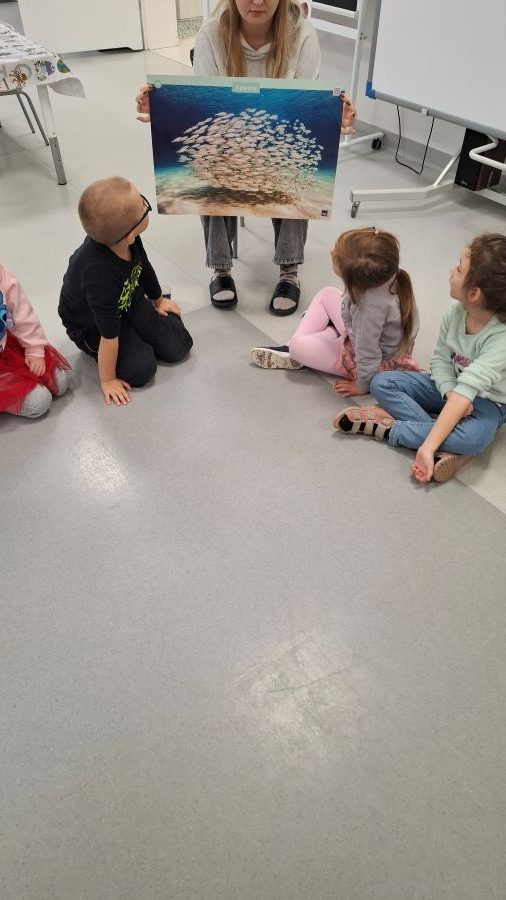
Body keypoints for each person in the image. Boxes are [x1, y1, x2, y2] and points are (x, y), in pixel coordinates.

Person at [135, 0, 356, 315]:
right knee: (209, 166)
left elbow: (307, 108)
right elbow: (203, 110)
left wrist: (336, 118)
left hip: (279, 140)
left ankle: (289, 271)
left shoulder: (303, 35)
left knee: (300, 171)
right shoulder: (211, 34)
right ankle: (220, 269)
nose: (257, 1)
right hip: (228, 141)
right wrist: (159, 107)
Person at [334, 233, 506, 484]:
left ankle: (392, 427)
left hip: (489, 403)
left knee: (474, 439)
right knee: (380, 382)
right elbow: (441, 360)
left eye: (459, 269)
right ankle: (444, 441)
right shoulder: (455, 311)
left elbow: (468, 390)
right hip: (448, 388)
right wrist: (448, 391)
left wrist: (426, 449)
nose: (451, 270)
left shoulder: (501, 339)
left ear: (474, 293)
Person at [58, 177, 193, 407]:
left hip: (128, 299)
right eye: (143, 206)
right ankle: (118, 348)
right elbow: (109, 336)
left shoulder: (127, 239)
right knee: (142, 370)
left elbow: (143, 268)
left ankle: (142, 332)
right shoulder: (97, 273)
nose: (145, 205)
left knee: (179, 346)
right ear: (128, 234)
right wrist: (108, 379)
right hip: (92, 325)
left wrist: (158, 300)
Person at [251, 226, 420, 397]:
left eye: (336, 256)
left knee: (298, 347)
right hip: (362, 334)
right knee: (327, 293)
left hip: (371, 363)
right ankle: (321, 334)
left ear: (352, 279)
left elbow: (368, 353)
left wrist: (362, 385)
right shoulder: (385, 276)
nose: (332, 252)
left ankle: (295, 348)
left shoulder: (370, 310)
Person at [0, 263, 70, 418]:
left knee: (61, 383)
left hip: (5, 346)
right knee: (39, 401)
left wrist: (34, 348)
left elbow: (20, 312)